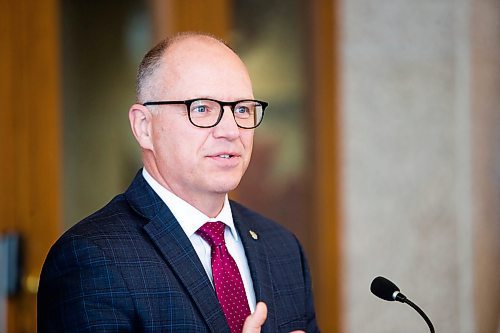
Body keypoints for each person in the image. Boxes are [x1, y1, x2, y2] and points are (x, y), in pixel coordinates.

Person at [38, 32, 319, 333]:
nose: (230, 130)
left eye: (242, 109)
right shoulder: (91, 257)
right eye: (202, 108)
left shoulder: (283, 248)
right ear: (144, 127)